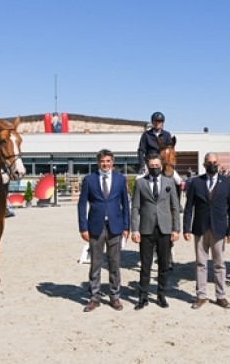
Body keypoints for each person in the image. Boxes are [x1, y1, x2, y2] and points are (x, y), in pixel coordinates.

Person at [77, 149, 130, 312]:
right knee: (95, 264)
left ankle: (115, 297)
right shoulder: (89, 180)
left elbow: (125, 204)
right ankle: (94, 297)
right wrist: (83, 227)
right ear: (98, 163)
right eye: (102, 161)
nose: (105, 164)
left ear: (112, 162)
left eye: (108, 161)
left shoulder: (120, 180)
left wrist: (126, 226)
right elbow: (81, 205)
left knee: (114, 263)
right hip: (95, 227)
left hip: (115, 226)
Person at [183, 152, 230, 310]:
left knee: (219, 264)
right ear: (204, 164)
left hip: (219, 229)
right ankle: (201, 295)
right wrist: (186, 228)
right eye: (209, 162)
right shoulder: (196, 182)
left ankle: (221, 296)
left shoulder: (227, 182)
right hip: (200, 228)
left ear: (218, 164)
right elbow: (188, 208)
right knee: (200, 263)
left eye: (215, 162)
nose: (212, 165)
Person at [131, 153, 180, 310]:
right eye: (151, 166)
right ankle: (143, 297)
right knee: (146, 265)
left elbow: (175, 206)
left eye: (157, 166)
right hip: (146, 228)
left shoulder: (169, 182)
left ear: (161, 165)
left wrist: (176, 228)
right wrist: (134, 229)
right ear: (147, 166)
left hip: (165, 229)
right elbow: (135, 207)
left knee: (164, 265)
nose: (154, 168)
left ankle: (161, 295)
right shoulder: (140, 183)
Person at [137, 111, 181, 184]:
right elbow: (141, 151)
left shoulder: (167, 135)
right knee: (138, 179)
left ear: (162, 123)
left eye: (159, 121)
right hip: (150, 163)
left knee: (178, 180)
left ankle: (177, 195)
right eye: (155, 121)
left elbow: (169, 150)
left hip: (163, 163)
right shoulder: (146, 135)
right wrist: (142, 166)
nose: (157, 123)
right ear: (152, 122)